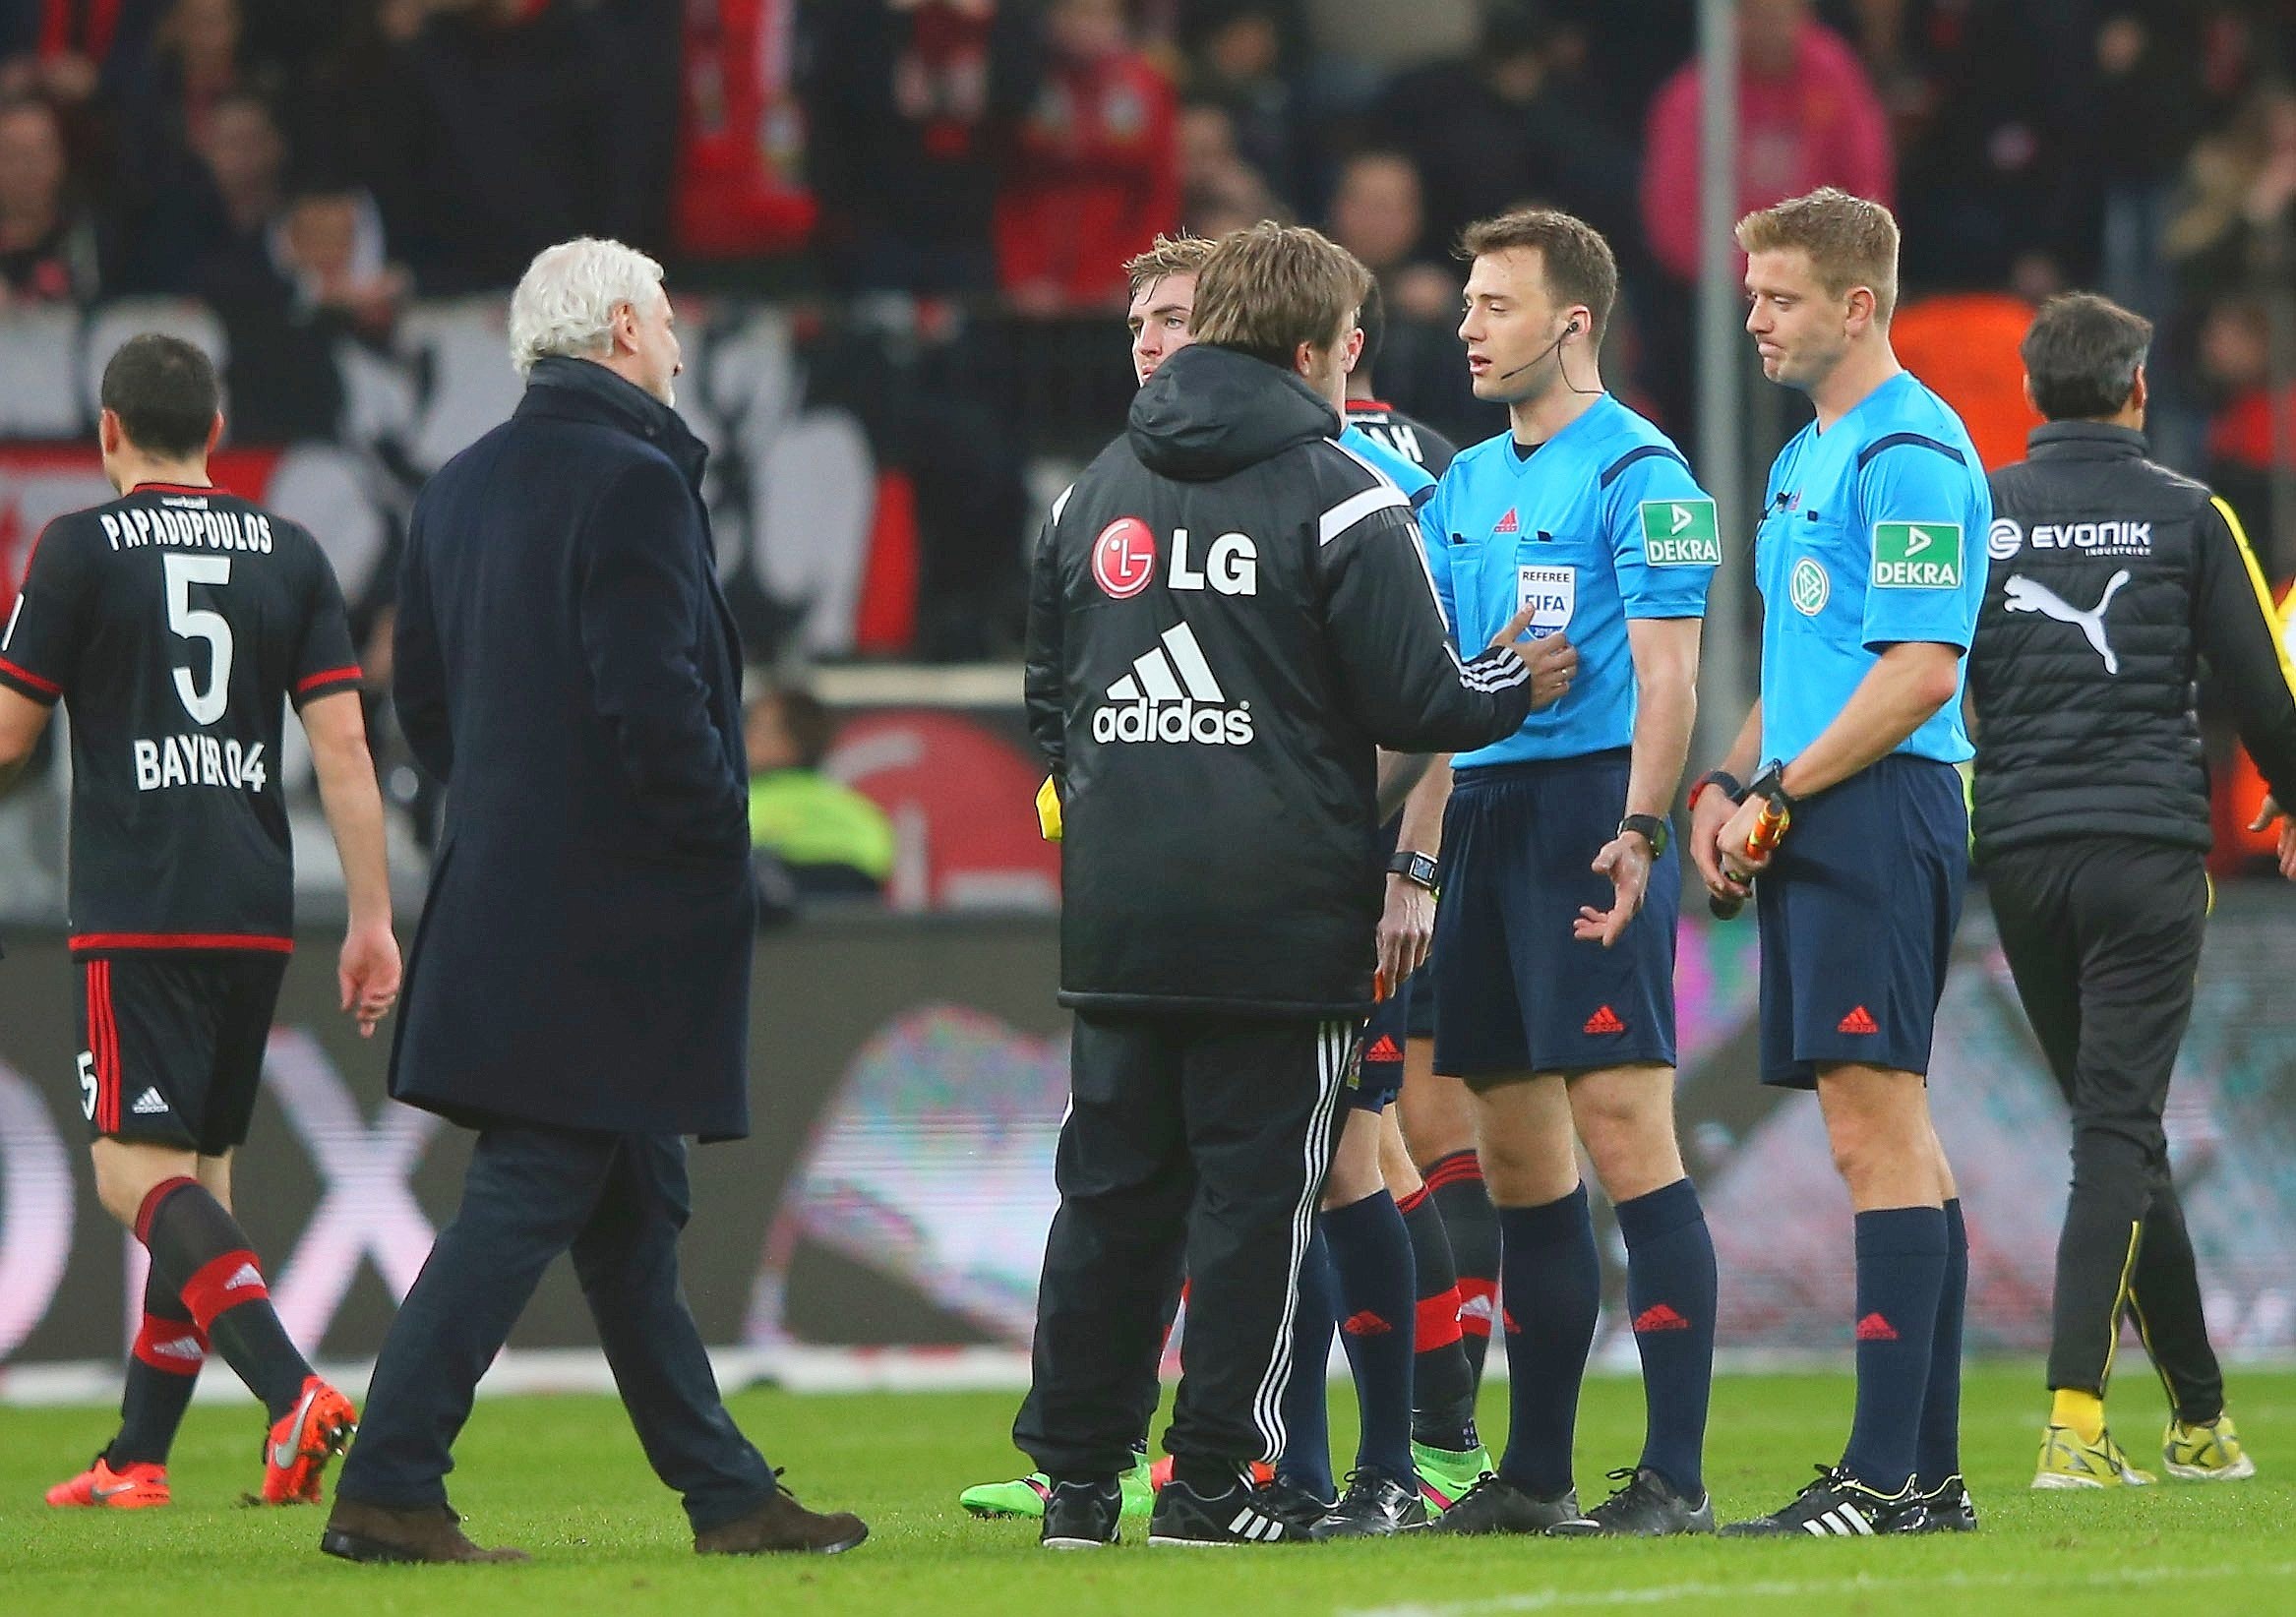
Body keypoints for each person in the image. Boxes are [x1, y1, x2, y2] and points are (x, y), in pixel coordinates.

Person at [1015, 219, 1573, 1550]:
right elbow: (1414, 696)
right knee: (1255, 1210)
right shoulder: (1342, 494)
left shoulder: (1087, 494)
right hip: (1276, 922)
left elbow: (1051, 704)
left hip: (1120, 915)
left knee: (1107, 1200)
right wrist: (1515, 678)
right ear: (1320, 349)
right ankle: (1212, 1488)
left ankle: (1079, 1490)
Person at [319, 239, 867, 1564]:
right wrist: (714, 837)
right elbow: (655, 701)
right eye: (669, 321)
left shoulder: (456, 487)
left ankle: (727, 1495)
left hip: (507, 886)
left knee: (632, 1220)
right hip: (615, 913)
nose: (678, 345)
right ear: (623, 327)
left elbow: (427, 707)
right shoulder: (632, 481)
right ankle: (389, 1481)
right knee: (535, 1185)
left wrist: (507, 819)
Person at [0, 332, 397, 1511]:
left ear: (108, 430)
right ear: (216, 435)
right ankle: (140, 1455)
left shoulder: (76, 548)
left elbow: (12, 735)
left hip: (140, 900)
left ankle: (293, 1396)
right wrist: (371, 916)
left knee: (134, 1182)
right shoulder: (289, 549)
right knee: (197, 1185)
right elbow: (344, 750)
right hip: (255, 905)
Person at [1408, 208, 1719, 1540]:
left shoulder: (1645, 474)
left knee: (1622, 1134)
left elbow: (1669, 671)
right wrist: (1414, 862)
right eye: (1467, 304)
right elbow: (1427, 697)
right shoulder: (1461, 485)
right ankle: (1534, 1478)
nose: (1466, 327)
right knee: (1519, 1155)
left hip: (1591, 808)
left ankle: (1674, 1480)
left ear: (1571, 322)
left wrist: (1641, 829)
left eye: (1493, 304)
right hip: (1481, 814)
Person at [1690, 187, 1988, 1537]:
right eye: (1751, 293)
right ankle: (1921, 1477)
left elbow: (1920, 671)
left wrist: (1777, 793)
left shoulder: (1911, 450)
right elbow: (1803, 667)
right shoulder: (1807, 451)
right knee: (1895, 1140)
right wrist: (1726, 780)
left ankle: (1887, 1477)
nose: (1750, 315)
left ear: (1856, 305)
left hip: (1877, 809)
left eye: (1777, 296)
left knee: (1874, 1133)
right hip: (1821, 801)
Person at [1970, 291, 2285, 1489]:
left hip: (2023, 856)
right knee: (2116, 1129)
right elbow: (2261, 688)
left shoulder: (1982, 515)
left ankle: (2199, 1418)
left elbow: (1926, 668)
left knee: (2118, 1130)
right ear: (2137, 388)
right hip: (2148, 856)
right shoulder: (2191, 515)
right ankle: (2074, 1423)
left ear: (2037, 392)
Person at [744, 685, 894, 900]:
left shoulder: (741, 806)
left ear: (791, 741)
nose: (746, 737)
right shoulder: (864, 814)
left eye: (756, 727)